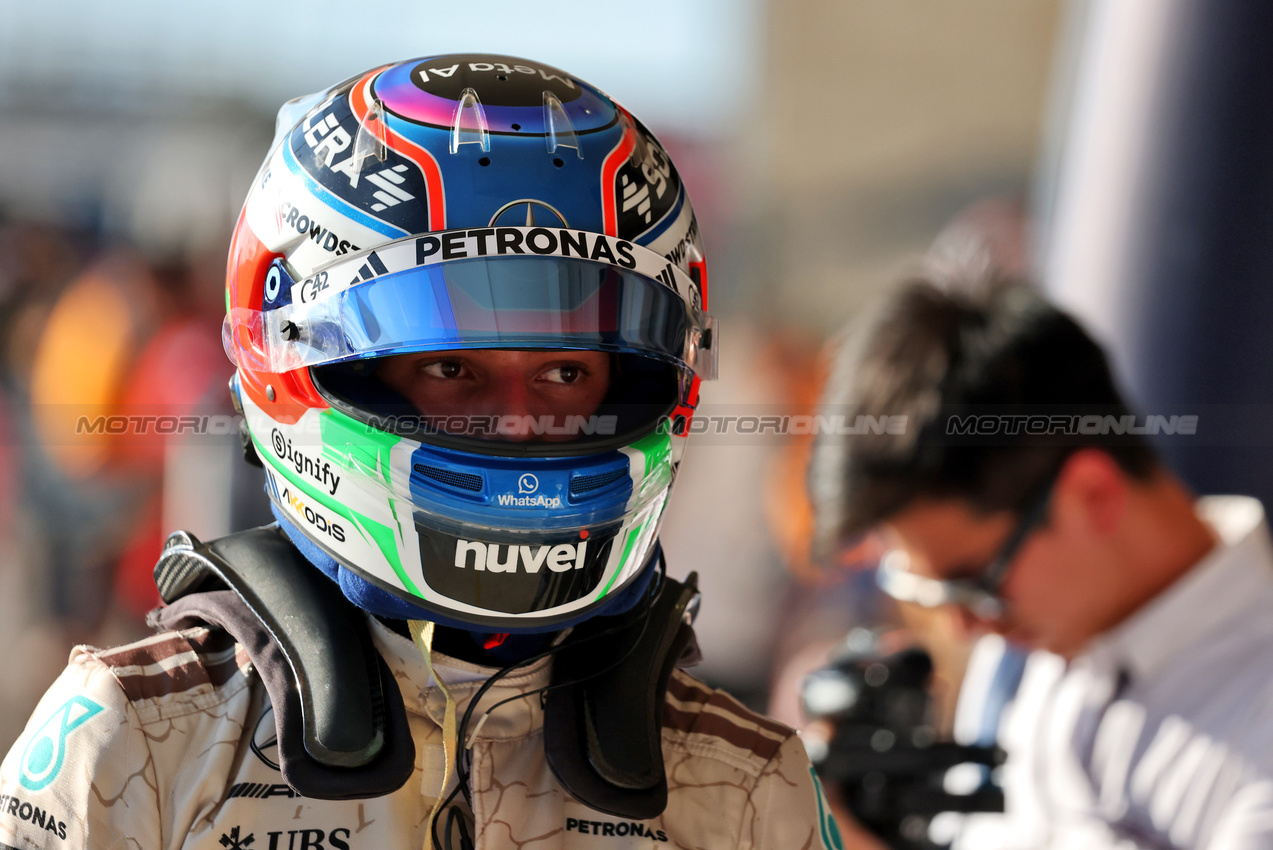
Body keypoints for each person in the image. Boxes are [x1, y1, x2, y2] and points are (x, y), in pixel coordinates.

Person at [0, 55, 841, 850]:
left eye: (563, 370)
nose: (518, 424)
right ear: (297, 367)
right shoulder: (134, 743)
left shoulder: (744, 786)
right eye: (450, 367)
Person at [808, 274, 1273, 849]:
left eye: (974, 583)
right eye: (932, 594)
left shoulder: (1257, 731)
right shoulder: (1026, 655)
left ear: (1092, 494)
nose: (962, 626)